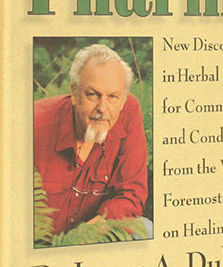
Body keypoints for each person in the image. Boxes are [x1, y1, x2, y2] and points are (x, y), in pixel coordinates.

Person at [34, 43, 149, 236]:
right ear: (74, 93)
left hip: (93, 236)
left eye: (113, 97)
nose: (102, 108)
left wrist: (87, 235)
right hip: (44, 245)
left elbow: (131, 194)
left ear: (122, 100)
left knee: (146, 229)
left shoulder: (128, 113)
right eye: (93, 95)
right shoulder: (35, 124)